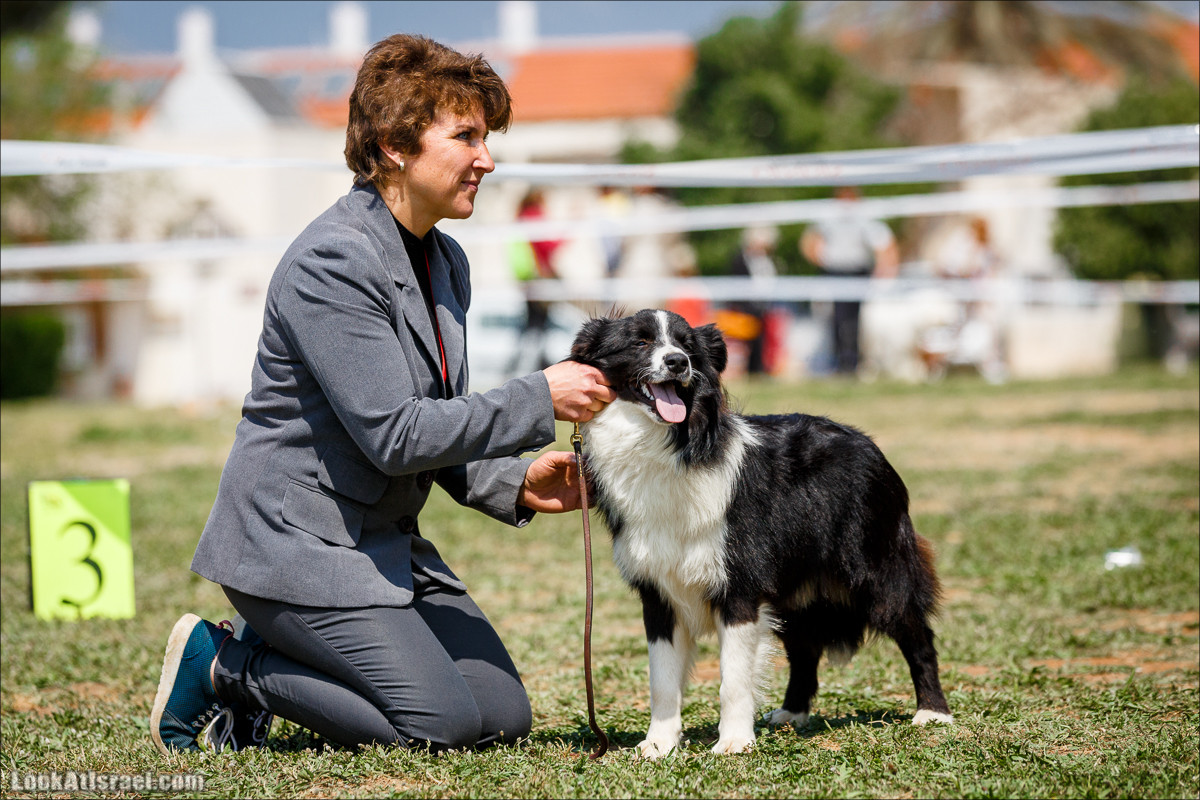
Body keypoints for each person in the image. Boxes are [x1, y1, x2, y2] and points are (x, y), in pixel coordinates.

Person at [149, 34, 616, 756]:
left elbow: (439, 418)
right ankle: (226, 667)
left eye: (486, 139)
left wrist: (516, 480)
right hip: (293, 547)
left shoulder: (446, 258)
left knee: (502, 717)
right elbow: (396, 435)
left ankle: (276, 651)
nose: (487, 160)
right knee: (439, 727)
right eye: (465, 137)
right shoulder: (333, 260)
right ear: (395, 146)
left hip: (382, 543)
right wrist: (539, 395)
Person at [800, 186, 898, 375]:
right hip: (834, 271)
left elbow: (883, 243)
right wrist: (823, 260)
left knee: (855, 319)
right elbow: (810, 241)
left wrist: (884, 270)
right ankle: (839, 360)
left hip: (857, 271)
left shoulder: (864, 216)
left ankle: (853, 361)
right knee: (836, 317)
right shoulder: (828, 215)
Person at [506, 189, 562, 376]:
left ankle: (533, 367)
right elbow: (547, 245)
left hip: (528, 279)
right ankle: (531, 370)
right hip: (539, 278)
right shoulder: (534, 216)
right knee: (538, 324)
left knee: (534, 323)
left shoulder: (520, 217)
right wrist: (568, 232)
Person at [726, 225, 780, 375]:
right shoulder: (739, 260)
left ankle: (758, 369)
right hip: (744, 308)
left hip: (763, 308)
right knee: (746, 343)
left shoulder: (766, 261)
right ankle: (749, 370)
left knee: (761, 341)